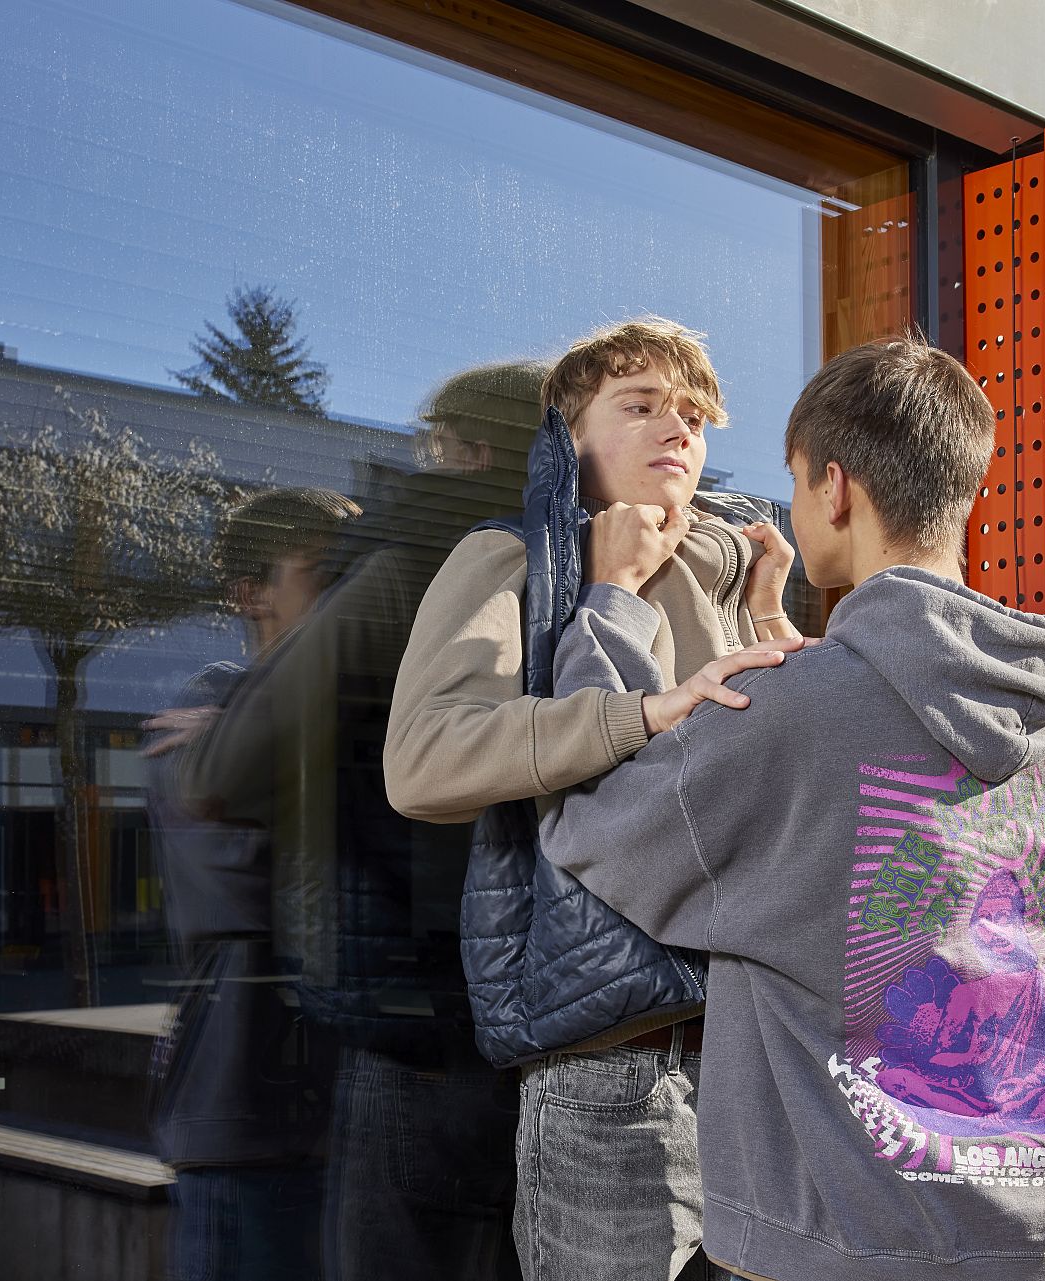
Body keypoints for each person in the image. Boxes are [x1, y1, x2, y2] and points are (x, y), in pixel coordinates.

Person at [536, 335, 1045, 1281]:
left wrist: (610, 600)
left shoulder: (800, 711)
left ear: (835, 489)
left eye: (797, 483)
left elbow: (592, 823)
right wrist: (774, 624)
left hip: (853, 1235)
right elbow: (868, 770)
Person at [384, 317, 798, 1281]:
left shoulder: (735, 568)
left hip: (756, 1053)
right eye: (641, 405)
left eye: (693, 413)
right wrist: (633, 695)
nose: (677, 428)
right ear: (570, 436)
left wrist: (774, 612)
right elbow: (424, 762)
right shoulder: (513, 559)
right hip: (612, 1061)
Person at [161, 362, 549, 1280]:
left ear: (472, 447)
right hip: (556, 1035)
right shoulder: (608, 564)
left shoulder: (406, 564)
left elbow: (222, 770)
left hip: (420, 1021)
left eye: (440, 446)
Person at [143, 485, 359, 1281]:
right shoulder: (208, 710)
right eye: (325, 573)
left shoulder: (317, 720)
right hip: (248, 1108)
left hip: (327, 1108)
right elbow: (262, 889)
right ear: (250, 592)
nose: (350, 600)